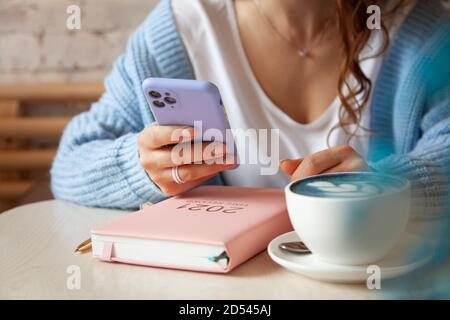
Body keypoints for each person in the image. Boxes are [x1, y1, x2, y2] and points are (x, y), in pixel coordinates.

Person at [51, 0, 450, 216]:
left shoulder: (418, 27)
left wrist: (391, 187)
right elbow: (72, 161)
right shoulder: (179, 29)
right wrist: (142, 169)